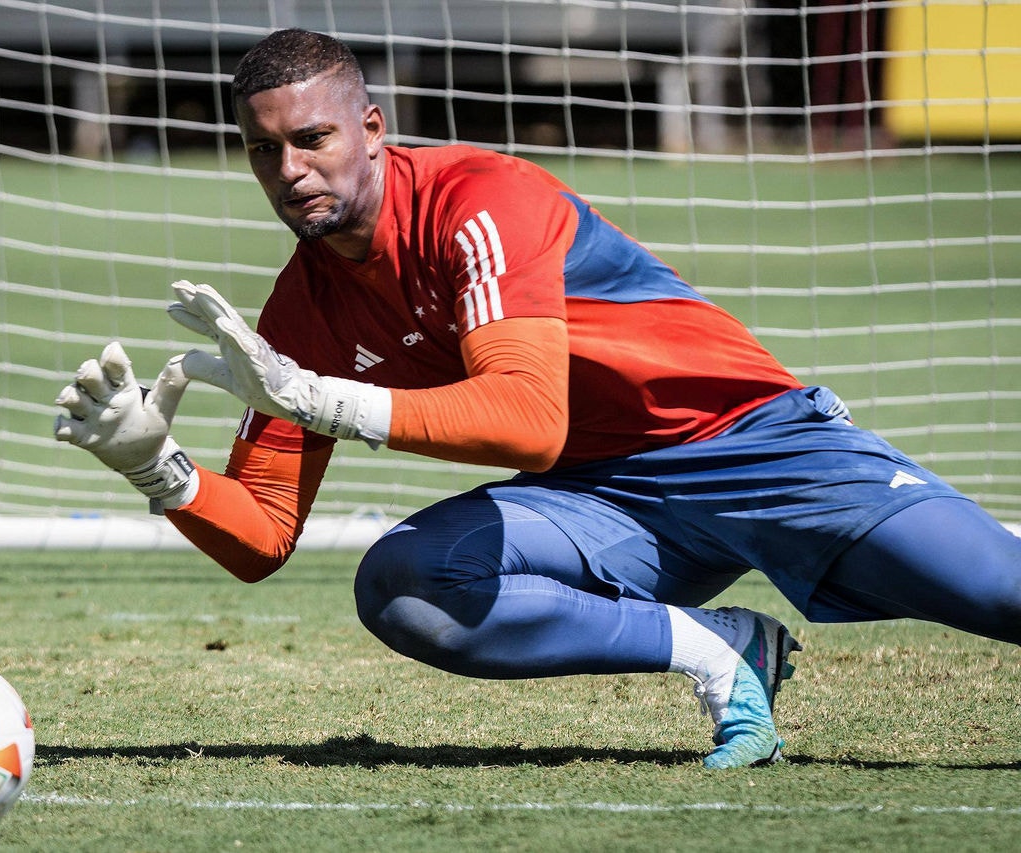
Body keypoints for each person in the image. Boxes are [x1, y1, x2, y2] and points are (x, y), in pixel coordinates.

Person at [54, 28, 1020, 769]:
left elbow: (527, 417)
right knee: (403, 586)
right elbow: (264, 534)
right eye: (266, 152)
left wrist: (319, 398)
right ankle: (724, 653)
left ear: (374, 130)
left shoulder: (480, 200)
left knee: (1000, 594)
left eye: (313, 139)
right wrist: (159, 468)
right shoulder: (301, 308)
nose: (292, 171)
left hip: (751, 445)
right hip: (603, 499)